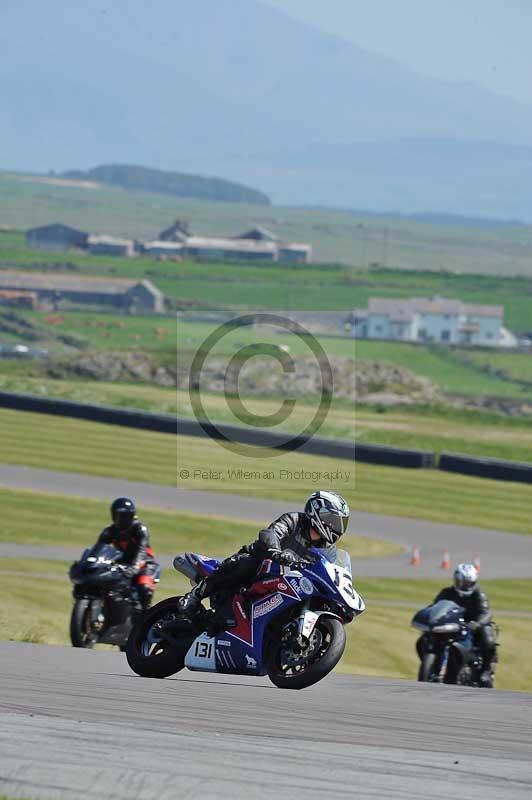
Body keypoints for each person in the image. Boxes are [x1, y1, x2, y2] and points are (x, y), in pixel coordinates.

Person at [177, 490, 350, 620]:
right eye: (334, 520)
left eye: (341, 522)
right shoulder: (294, 520)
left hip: (289, 582)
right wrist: (276, 551)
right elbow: (271, 533)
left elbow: (330, 570)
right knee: (246, 564)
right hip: (261, 565)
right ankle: (194, 597)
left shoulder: (329, 548)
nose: (337, 526)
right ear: (317, 512)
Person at [420, 563, 497, 687]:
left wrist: (477, 623)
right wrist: (428, 614)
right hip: (452, 624)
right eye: (460, 582)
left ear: (473, 582)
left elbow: (486, 613)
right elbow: (436, 607)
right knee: (425, 638)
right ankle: (434, 666)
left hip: (472, 625)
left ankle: (486, 670)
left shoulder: (479, 595)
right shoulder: (447, 592)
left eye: (467, 583)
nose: (463, 585)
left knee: (487, 639)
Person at [96, 497, 159, 612]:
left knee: (144, 588)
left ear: (132, 516)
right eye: (120, 516)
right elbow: (98, 549)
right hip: (122, 564)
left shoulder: (139, 529)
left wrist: (135, 567)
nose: (123, 519)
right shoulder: (110, 531)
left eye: (126, 516)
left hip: (146, 564)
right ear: (113, 515)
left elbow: (142, 549)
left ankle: (146, 615)